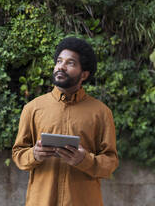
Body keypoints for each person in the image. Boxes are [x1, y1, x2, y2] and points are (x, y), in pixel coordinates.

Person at [12, 37, 119, 206]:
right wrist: (34, 154)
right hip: (42, 200)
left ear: (84, 74)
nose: (61, 66)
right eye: (59, 61)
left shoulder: (101, 112)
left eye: (70, 63)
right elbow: (18, 153)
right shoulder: (33, 108)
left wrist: (84, 160)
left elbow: (110, 162)